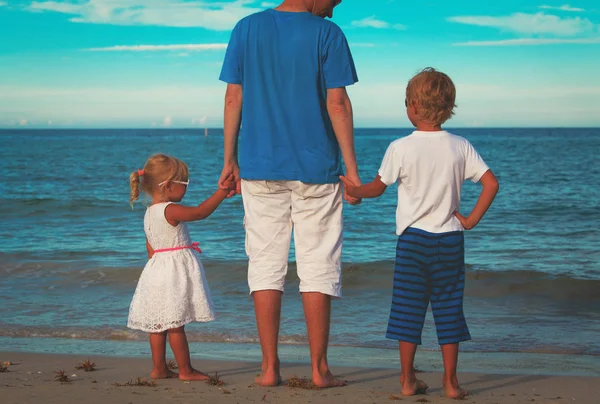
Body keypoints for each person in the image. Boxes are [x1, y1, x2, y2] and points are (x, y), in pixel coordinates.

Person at [218, 0, 361, 388]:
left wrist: (229, 159)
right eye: (334, 2)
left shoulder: (245, 29)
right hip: (317, 170)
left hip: (260, 167)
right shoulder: (328, 35)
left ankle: (268, 369)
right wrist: (351, 168)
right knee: (318, 266)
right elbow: (338, 103)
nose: (332, 12)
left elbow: (234, 97)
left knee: (265, 265)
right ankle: (319, 370)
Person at [340, 68, 499, 399]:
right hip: (451, 240)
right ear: (448, 108)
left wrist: (356, 191)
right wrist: (470, 220)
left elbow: (378, 188)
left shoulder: (401, 147)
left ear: (413, 105)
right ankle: (451, 382)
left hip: (413, 241)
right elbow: (490, 183)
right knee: (449, 307)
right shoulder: (460, 145)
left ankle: (407, 380)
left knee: (407, 309)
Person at [127, 153, 235, 381]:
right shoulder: (169, 209)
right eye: (184, 183)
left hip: (155, 271)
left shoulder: (148, 213)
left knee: (158, 324)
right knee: (176, 324)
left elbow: (151, 248)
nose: (186, 188)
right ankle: (185, 371)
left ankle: (159, 369)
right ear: (167, 186)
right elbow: (199, 212)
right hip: (173, 273)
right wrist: (221, 193)